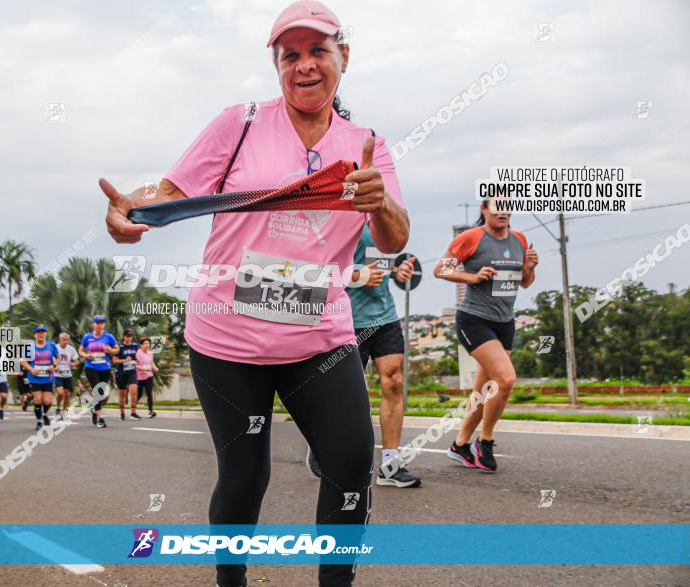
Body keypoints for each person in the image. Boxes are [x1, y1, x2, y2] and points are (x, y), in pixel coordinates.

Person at [100, 2, 409, 584]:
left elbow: (393, 238)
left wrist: (380, 201)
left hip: (319, 336)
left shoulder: (366, 144)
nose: (305, 66)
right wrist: (130, 214)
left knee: (350, 463)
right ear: (277, 65)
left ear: (344, 57)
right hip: (227, 338)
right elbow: (168, 192)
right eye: (290, 55)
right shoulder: (238, 122)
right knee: (245, 477)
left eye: (318, 51)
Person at [306, 229, 420, 487]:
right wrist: (357, 276)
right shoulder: (342, 220)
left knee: (394, 382)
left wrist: (398, 273)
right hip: (346, 319)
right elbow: (314, 269)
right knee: (346, 395)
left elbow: (385, 266)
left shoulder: (385, 221)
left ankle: (391, 465)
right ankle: (321, 443)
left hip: (385, 317)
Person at [434, 200, 537, 473]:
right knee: (506, 379)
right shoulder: (471, 238)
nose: (503, 211)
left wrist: (530, 268)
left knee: (483, 391)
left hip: (505, 322)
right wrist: (473, 276)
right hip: (474, 319)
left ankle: (460, 444)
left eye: (508, 206)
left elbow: (524, 282)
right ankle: (486, 440)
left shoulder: (520, 240)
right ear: (484, 210)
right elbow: (439, 270)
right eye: (497, 207)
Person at [79, 316, 118, 428]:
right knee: (97, 388)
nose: (100, 325)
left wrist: (110, 350)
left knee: (101, 392)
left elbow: (117, 349)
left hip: (105, 367)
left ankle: (94, 409)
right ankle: (101, 418)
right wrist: (86, 355)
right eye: (98, 323)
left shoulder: (109, 336)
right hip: (91, 367)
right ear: (94, 325)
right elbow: (81, 350)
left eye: (102, 323)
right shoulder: (87, 337)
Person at [21, 325, 60, 430]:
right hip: (35, 377)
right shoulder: (30, 347)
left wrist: (54, 366)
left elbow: (58, 357)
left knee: (47, 401)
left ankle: (44, 414)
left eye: (43, 332)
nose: (41, 334)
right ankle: (39, 420)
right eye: (39, 332)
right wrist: (31, 369)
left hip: (48, 377)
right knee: (38, 400)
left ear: (46, 334)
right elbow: (23, 361)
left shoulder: (51, 345)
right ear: (35, 335)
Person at [113, 329, 140, 421]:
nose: (129, 338)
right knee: (122, 394)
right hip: (121, 372)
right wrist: (125, 360)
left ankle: (133, 412)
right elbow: (115, 360)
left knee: (134, 391)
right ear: (124, 336)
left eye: (130, 336)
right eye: (127, 336)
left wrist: (136, 361)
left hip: (132, 371)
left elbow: (136, 357)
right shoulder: (119, 347)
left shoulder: (135, 346)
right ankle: (122, 413)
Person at [54, 332, 80, 420]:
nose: (65, 342)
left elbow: (77, 361)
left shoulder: (71, 349)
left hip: (67, 374)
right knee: (60, 393)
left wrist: (73, 364)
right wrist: (54, 367)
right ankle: (58, 407)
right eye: (63, 340)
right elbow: (50, 360)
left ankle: (64, 411)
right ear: (59, 340)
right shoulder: (55, 348)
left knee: (67, 394)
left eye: (67, 340)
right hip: (57, 374)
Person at [135, 337, 158, 418]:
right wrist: (143, 368)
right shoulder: (138, 353)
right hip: (140, 377)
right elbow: (136, 365)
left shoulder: (150, 353)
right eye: (145, 343)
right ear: (141, 345)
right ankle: (133, 409)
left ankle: (151, 411)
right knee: (139, 394)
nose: (147, 345)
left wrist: (155, 368)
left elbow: (151, 363)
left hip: (149, 376)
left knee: (149, 393)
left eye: (148, 343)